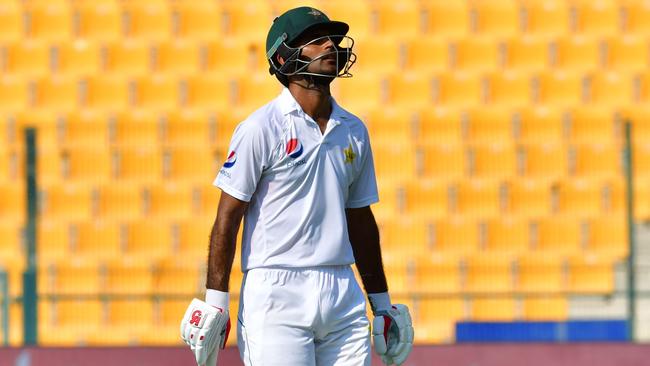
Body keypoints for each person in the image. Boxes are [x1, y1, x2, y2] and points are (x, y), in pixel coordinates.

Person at [180, 6, 413, 366]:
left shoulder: (354, 130)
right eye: (317, 41)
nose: (331, 47)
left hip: (341, 289)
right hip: (276, 293)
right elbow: (227, 218)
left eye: (332, 40)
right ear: (283, 57)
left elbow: (361, 221)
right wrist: (216, 302)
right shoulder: (260, 128)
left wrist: (381, 305)